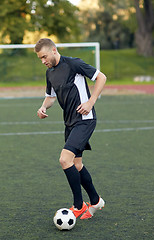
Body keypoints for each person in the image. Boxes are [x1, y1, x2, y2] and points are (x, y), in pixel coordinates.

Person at [34, 38, 107, 219]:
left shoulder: (73, 64)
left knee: (64, 160)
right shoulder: (50, 73)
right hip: (69, 123)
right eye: (40, 58)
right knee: (76, 164)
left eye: (44, 56)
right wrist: (43, 107)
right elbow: (50, 97)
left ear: (53, 50)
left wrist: (91, 102)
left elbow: (101, 77)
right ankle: (96, 201)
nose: (43, 61)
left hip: (85, 119)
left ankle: (78, 205)